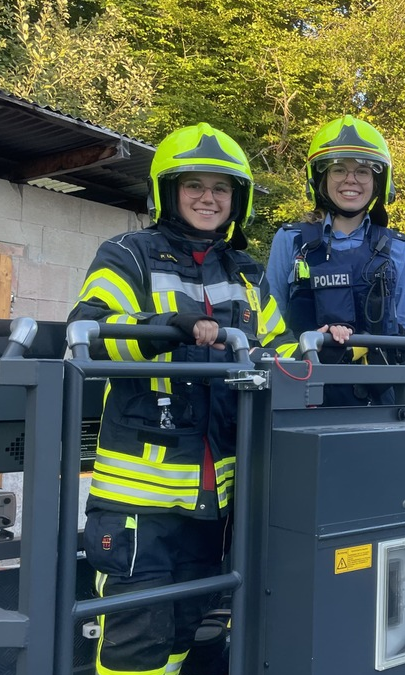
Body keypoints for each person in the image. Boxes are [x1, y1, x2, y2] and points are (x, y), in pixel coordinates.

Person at [68, 122, 299, 675]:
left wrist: (339, 350)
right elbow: (89, 334)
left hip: (213, 499)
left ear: (235, 200)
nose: (208, 197)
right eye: (193, 185)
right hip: (139, 506)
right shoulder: (128, 253)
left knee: (191, 628)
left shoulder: (244, 271)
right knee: (137, 642)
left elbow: (282, 353)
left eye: (220, 188)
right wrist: (166, 325)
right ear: (166, 192)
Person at [266, 114, 405, 405]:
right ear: (321, 178)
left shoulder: (397, 248)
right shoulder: (290, 241)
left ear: (378, 181)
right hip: (303, 394)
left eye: (363, 171)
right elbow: (271, 327)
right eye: (338, 169)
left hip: (380, 399)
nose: (351, 180)